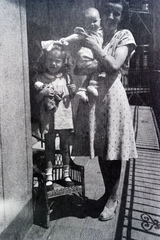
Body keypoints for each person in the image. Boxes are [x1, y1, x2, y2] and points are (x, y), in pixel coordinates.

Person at [72, 0, 138, 221]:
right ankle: (107, 193)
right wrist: (99, 58)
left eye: (116, 13)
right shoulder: (94, 32)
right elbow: (78, 67)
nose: (110, 17)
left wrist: (96, 51)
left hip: (113, 100)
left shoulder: (124, 36)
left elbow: (114, 66)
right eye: (107, 12)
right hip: (93, 99)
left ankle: (113, 198)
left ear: (121, 16)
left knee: (114, 150)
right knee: (102, 148)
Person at [33, 44, 76, 188]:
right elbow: (37, 100)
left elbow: (71, 96)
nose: (53, 63)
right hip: (48, 118)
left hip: (64, 117)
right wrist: (43, 93)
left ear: (64, 62)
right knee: (49, 147)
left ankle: (66, 175)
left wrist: (73, 91)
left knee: (64, 147)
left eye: (57, 60)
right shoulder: (40, 78)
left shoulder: (67, 78)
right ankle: (50, 176)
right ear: (44, 61)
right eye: (50, 60)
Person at [41, 8, 103, 102]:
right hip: (85, 56)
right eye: (88, 22)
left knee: (93, 71)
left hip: (92, 56)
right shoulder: (87, 33)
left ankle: (84, 89)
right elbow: (76, 36)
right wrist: (65, 39)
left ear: (100, 20)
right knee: (95, 68)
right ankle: (91, 86)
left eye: (95, 21)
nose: (92, 24)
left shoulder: (101, 33)